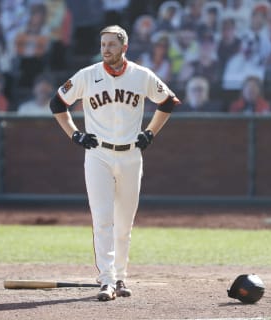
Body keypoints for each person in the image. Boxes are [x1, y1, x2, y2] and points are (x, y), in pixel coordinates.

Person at [49, 25, 180, 301]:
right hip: (98, 154)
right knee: (103, 219)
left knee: (124, 222)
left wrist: (150, 133)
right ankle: (106, 280)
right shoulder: (88, 75)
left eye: (111, 44)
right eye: (103, 44)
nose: (105, 49)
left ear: (124, 47)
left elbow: (167, 101)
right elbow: (57, 103)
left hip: (131, 154)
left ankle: (120, 276)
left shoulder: (141, 76)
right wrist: (75, 134)